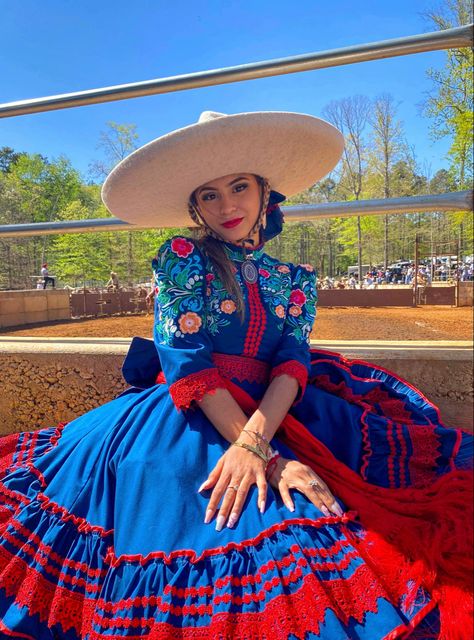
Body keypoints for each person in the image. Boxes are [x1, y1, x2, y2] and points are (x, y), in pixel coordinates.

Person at [0, 110, 472, 639]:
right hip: (192, 411)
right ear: (194, 206)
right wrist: (262, 458)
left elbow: (293, 364)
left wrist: (257, 444)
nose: (227, 206)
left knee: (344, 508)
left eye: (240, 186)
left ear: (264, 190)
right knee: (240, 521)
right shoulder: (183, 258)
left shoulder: (294, 278)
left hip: (275, 411)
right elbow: (185, 362)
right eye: (209, 194)